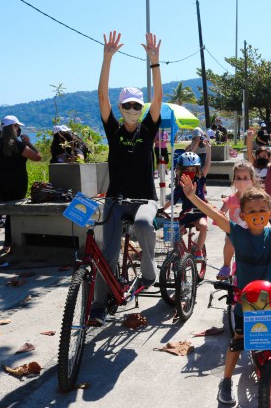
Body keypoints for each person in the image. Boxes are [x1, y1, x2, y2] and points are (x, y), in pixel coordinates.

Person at [178, 174, 271, 405]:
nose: (257, 215)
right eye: (251, 212)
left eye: (262, 210)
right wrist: (193, 197)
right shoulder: (237, 233)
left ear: (270, 213)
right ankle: (226, 381)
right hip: (247, 301)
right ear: (243, 216)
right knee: (237, 341)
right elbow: (214, 214)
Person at [92, 31, 163, 326]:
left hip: (145, 198)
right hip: (116, 199)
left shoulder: (147, 129)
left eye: (137, 105)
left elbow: (158, 97)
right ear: (120, 108)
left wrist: (155, 63)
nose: (133, 110)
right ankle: (98, 305)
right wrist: (107, 58)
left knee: (144, 224)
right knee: (105, 255)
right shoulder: (114, 130)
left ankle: (149, 271)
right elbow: (101, 97)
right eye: (128, 105)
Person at [0, 115, 42, 253]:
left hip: (0, 181)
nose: (19, 129)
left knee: (9, 212)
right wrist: (28, 143)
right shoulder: (19, 145)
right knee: (15, 212)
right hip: (18, 181)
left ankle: (8, 241)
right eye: (18, 126)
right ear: (14, 127)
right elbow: (38, 157)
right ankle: (12, 241)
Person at [163, 148, 211, 260]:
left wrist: (208, 149)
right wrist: (162, 209)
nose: (190, 171)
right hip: (186, 214)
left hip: (199, 214)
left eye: (193, 169)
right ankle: (177, 252)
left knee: (204, 226)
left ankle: (199, 250)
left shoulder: (199, 180)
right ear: (181, 170)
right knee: (174, 230)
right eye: (187, 169)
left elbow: (208, 164)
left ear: (197, 169)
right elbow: (172, 200)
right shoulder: (180, 186)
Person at [216, 160, 257, 279]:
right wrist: (220, 216)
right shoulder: (231, 199)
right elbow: (221, 212)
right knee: (229, 241)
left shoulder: (256, 198)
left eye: (245, 178)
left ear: (252, 180)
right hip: (235, 232)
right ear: (234, 180)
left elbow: (263, 210)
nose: (241, 181)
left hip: (252, 231)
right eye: (238, 178)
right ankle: (226, 265)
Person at [247, 128, 271, 200]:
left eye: (264, 156)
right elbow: (249, 152)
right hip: (254, 197)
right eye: (259, 156)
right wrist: (250, 138)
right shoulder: (254, 165)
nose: (261, 158)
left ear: (268, 158)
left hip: (266, 199)